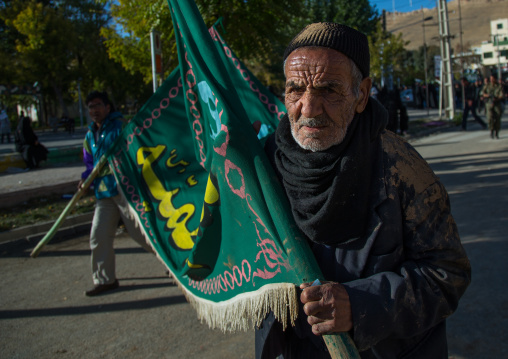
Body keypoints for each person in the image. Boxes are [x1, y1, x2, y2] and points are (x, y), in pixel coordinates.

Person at [256, 22, 471, 358]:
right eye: (295, 89)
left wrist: (361, 305)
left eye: (328, 90)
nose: (308, 108)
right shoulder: (262, 165)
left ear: (361, 93)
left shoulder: (402, 168)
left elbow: (447, 274)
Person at [79, 90, 154, 296]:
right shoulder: (89, 136)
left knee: (141, 233)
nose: (94, 110)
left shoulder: (121, 127)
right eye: (90, 107)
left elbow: (135, 152)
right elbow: (89, 164)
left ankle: (175, 264)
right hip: (103, 193)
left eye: (97, 105)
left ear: (107, 107)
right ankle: (105, 279)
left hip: (125, 189)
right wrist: (85, 179)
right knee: (98, 236)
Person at [480, 75, 504, 139]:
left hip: (497, 103)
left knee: (497, 118)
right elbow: (482, 93)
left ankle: (497, 132)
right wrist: (487, 95)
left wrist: (496, 98)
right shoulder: (487, 85)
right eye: (490, 79)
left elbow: (501, 95)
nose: (491, 80)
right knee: (490, 117)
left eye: (492, 79)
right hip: (489, 103)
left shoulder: (499, 86)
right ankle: (491, 130)